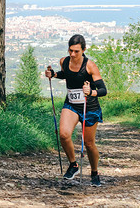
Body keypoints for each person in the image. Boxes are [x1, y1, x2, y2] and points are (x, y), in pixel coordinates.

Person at [45, 34, 107, 187]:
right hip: (72, 104)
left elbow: (103, 90)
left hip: (89, 107)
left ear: (83, 50)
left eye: (76, 51)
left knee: (89, 143)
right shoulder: (64, 61)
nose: (72, 54)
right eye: (70, 50)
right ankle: (74, 165)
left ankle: (94, 172)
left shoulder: (90, 66)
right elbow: (67, 75)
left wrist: (91, 92)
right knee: (64, 135)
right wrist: (53, 74)